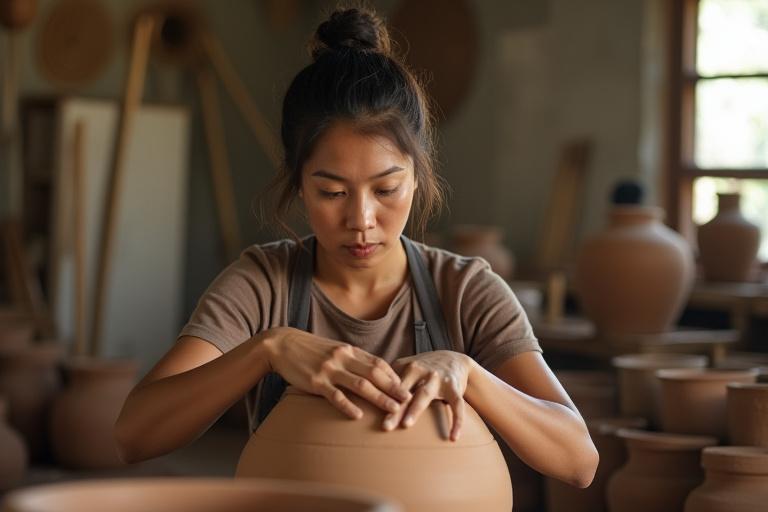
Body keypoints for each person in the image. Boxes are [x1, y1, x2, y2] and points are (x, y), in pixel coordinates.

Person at [115, 6, 598, 488]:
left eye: (386, 190)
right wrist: (268, 349)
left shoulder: (465, 289)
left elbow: (579, 462)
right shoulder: (263, 284)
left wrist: (471, 375)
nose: (361, 221)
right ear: (299, 182)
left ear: (417, 177)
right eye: (333, 193)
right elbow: (134, 436)